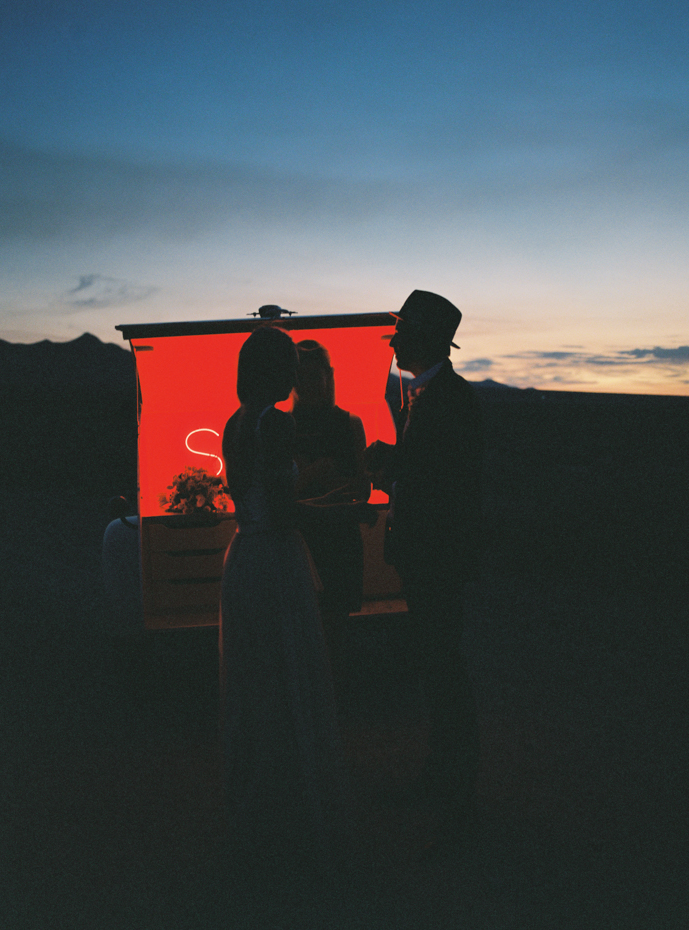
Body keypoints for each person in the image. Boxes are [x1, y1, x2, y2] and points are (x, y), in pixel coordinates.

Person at [219, 325, 372, 881]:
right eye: (289, 364)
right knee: (293, 677)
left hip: (244, 558)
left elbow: (259, 502)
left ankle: (258, 800)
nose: (296, 376)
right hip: (278, 561)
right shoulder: (276, 424)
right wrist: (340, 512)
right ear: (275, 371)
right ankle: (293, 808)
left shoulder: (235, 423)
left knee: (257, 680)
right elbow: (287, 512)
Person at [365, 290, 483, 856]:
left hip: (437, 557)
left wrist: (386, 466)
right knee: (440, 669)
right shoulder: (430, 396)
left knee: (444, 670)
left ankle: (457, 797)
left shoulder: (448, 400)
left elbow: (442, 485)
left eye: (402, 333)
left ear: (428, 340)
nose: (393, 341)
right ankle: (446, 781)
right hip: (432, 556)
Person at [291, 340, 371, 686]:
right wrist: (316, 474)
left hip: (337, 542)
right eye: (303, 376)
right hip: (299, 542)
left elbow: (363, 486)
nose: (311, 383)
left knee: (336, 626)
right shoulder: (281, 427)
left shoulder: (350, 423)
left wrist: (325, 477)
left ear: (329, 376)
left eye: (316, 375)